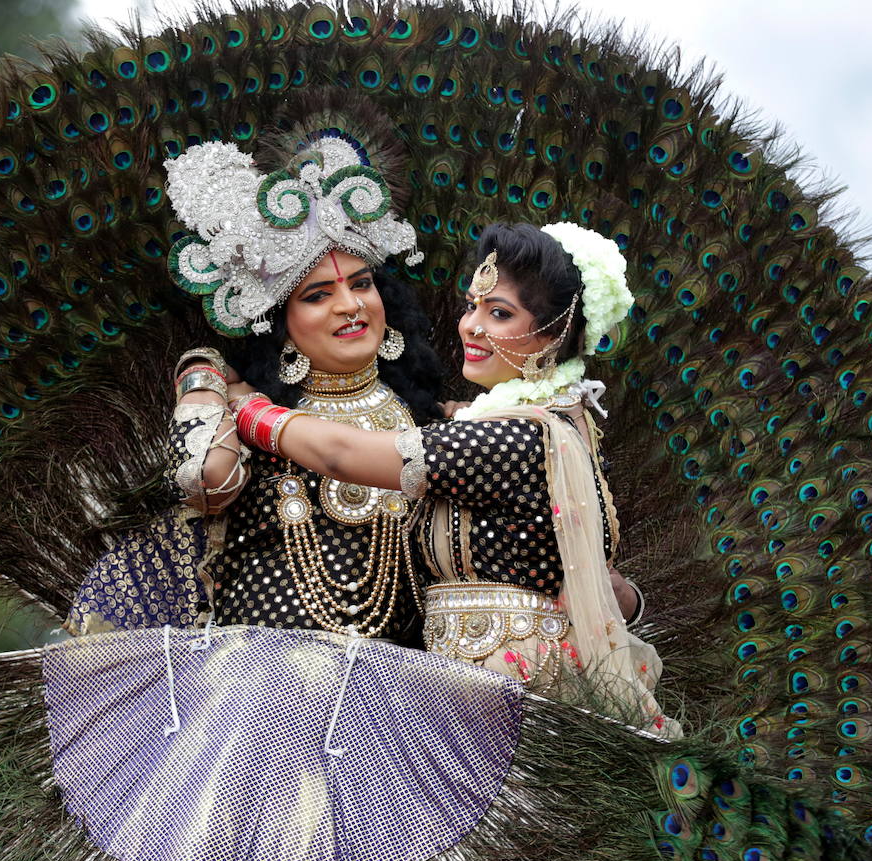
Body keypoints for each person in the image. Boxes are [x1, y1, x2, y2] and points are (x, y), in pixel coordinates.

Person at [226, 221, 680, 737]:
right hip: (455, 682)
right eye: (471, 307)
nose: (471, 327)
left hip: (504, 686)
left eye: (500, 314)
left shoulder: (509, 438)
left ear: (556, 336)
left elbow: (339, 453)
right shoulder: (531, 423)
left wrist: (248, 409)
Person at [67, 107, 441, 648]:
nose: (350, 306)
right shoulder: (239, 410)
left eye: (361, 285)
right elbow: (204, 479)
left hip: (399, 702)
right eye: (318, 295)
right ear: (281, 325)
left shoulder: (432, 420)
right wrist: (204, 380)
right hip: (255, 699)